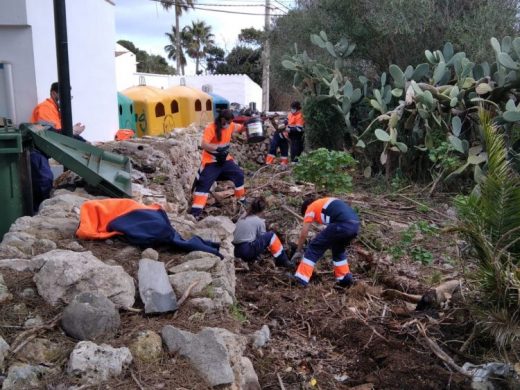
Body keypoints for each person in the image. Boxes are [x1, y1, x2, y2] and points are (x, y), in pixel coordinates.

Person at [291, 197, 360, 287]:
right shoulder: (324, 202)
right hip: (355, 226)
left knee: (314, 247)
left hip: (341, 224)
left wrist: (298, 250)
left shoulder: (310, 207)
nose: (314, 221)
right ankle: (345, 280)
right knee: (338, 250)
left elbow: (304, 233)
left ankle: (300, 279)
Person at [190, 109, 246, 219]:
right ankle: (195, 213)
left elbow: (241, 128)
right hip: (211, 161)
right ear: (221, 120)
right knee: (203, 184)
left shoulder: (230, 125)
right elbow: (204, 144)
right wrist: (217, 148)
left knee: (239, 174)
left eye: (230, 122)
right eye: (227, 122)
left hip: (225, 160)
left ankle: (242, 201)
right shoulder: (211, 128)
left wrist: (248, 124)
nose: (229, 125)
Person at [233, 197, 293, 268]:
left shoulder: (244, 215)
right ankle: (284, 260)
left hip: (235, 250)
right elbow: (263, 240)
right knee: (271, 235)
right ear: (263, 210)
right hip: (245, 251)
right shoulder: (259, 221)